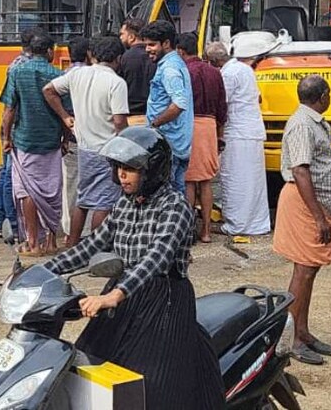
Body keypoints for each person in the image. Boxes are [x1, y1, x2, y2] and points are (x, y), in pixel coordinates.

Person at [44, 127, 224, 409]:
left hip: (163, 302)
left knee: (150, 387)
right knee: (88, 368)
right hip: (122, 299)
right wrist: (45, 271)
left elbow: (157, 258)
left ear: (151, 171)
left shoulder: (175, 207)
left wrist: (114, 295)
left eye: (130, 169)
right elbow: (93, 245)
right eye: (119, 168)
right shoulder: (125, 204)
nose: (122, 175)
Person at [274, 75, 331, 365]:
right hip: (305, 205)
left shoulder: (312, 121)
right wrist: (318, 217)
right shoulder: (303, 125)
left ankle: (302, 332)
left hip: (315, 204)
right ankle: (291, 340)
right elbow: (301, 171)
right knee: (303, 273)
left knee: (310, 272)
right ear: (324, 96)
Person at [43, 36, 129, 246]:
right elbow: (119, 121)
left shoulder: (78, 74)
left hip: (84, 147)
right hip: (108, 149)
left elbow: (49, 90)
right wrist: (127, 144)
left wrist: (65, 116)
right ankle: (97, 247)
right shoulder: (116, 83)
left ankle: (72, 243)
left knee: (83, 199)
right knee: (104, 202)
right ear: (118, 58)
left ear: (92, 55)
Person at [1, 32, 66, 256]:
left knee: (26, 190)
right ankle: (51, 241)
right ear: (49, 52)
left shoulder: (17, 72)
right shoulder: (58, 74)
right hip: (51, 141)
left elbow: (9, 110)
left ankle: (32, 243)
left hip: (24, 141)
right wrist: (66, 139)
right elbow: (65, 114)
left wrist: (6, 138)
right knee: (52, 190)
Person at [212, 41, 271, 236]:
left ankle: (236, 225)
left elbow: (222, 104)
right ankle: (257, 223)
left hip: (237, 132)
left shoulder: (227, 74)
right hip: (253, 130)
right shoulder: (246, 69)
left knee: (236, 179)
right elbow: (258, 98)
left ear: (214, 62)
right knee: (253, 180)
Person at [0, 27, 46, 239]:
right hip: (18, 127)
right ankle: (14, 224)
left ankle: (3, 221)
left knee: (6, 174)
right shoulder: (25, 66)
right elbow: (12, 106)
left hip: (11, 125)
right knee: (11, 175)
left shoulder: (16, 63)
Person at [178, 33, 227, 243]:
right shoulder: (214, 72)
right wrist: (220, 133)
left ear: (180, 51)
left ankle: (189, 230)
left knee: (189, 180)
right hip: (210, 126)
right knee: (206, 180)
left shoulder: (183, 72)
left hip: (189, 125)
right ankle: (206, 231)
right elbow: (222, 106)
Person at [139, 20, 193, 194]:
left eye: (152, 45)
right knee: (177, 195)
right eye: (146, 45)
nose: (147, 49)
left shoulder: (169, 68)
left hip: (169, 144)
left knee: (165, 195)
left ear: (167, 44)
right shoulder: (175, 63)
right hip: (177, 143)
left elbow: (179, 104)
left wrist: (154, 125)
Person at [61, 36, 91, 243]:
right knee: (90, 184)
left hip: (70, 136)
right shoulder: (93, 76)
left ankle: (70, 230)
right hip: (91, 138)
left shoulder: (64, 76)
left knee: (70, 185)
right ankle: (87, 231)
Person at [118, 18, 155, 126]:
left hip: (130, 115)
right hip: (152, 114)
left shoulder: (124, 58)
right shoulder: (155, 55)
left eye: (122, 34)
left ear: (131, 37)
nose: (120, 37)